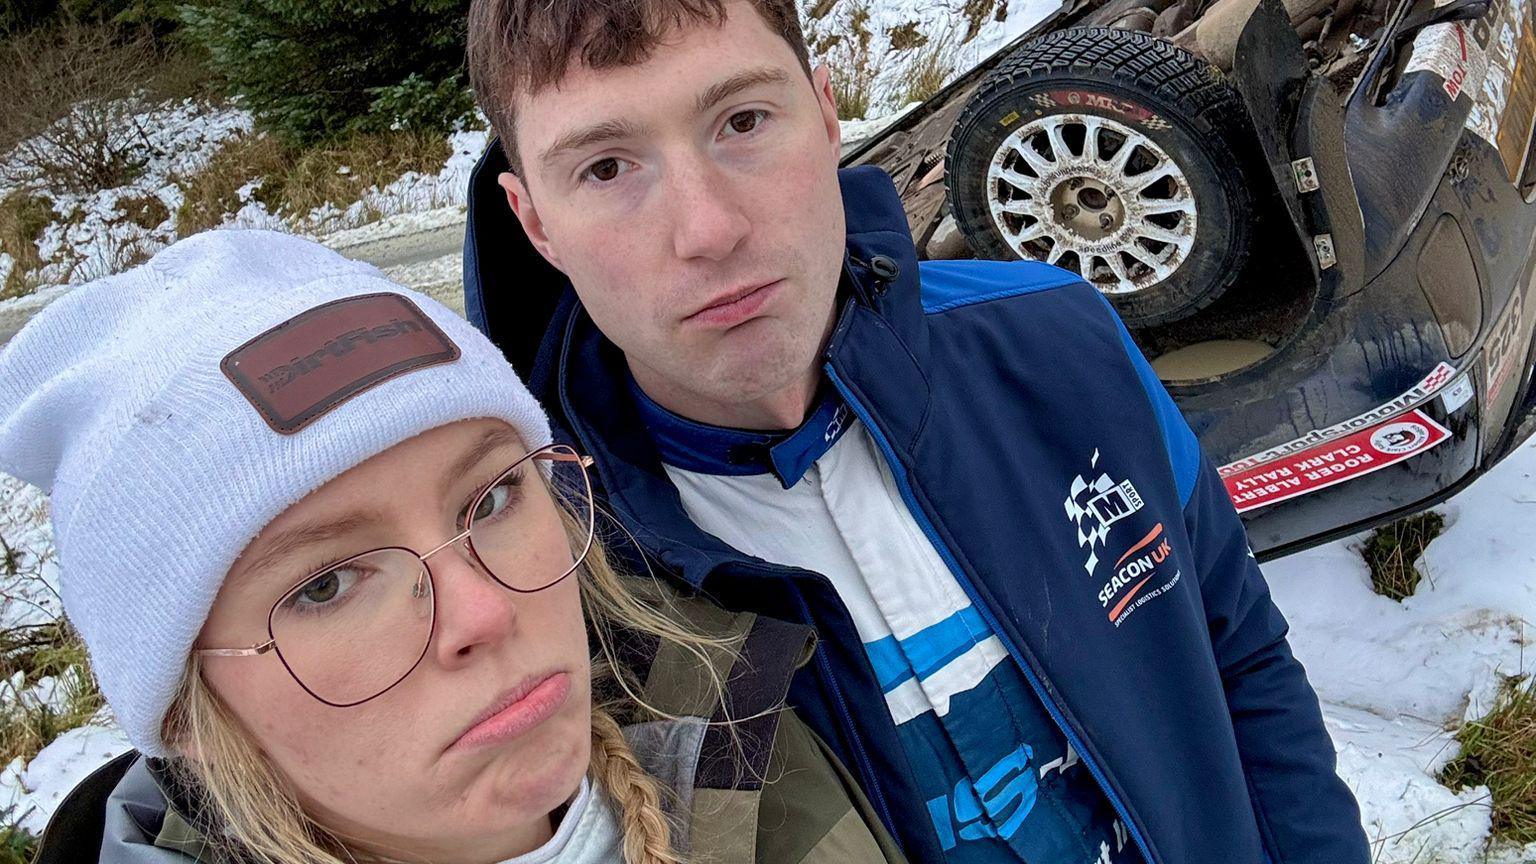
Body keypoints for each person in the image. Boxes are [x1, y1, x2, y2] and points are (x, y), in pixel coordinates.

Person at [459, 2, 1373, 863]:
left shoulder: (1061, 344)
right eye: (607, 168)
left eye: (741, 121)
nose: (707, 229)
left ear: (824, 119)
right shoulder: (543, 583)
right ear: (535, 221)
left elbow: (1239, 658)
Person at [1, 230, 906, 864]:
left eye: (494, 495)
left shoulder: (730, 712)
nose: (485, 610)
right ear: (185, 719)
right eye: (326, 585)